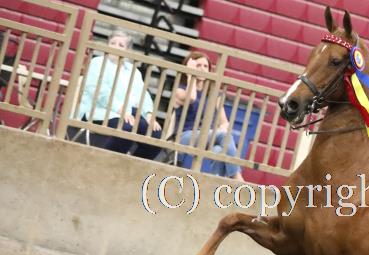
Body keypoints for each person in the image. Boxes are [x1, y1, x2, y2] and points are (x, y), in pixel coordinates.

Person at [73, 29, 162, 158]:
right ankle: (107, 161)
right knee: (127, 128)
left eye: (121, 45)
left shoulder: (133, 70)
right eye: (113, 43)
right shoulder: (97, 62)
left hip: (128, 113)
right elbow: (99, 92)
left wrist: (149, 114)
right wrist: (121, 110)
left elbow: (143, 94)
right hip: (99, 111)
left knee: (155, 134)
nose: (115, 47)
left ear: (127, 51)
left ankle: (131, 165)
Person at [171, 51, 244, 182]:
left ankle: (215, 183)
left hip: (208, 137)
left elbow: (224, 123)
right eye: (198, 65)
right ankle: (237, 178)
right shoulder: (180, 90)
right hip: (185, 136)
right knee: (224, 137)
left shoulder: (213, 94)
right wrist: (191, 75)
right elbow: (191, 98)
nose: (202, 69)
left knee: (219, 150)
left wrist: (221, 129)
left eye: (205, 66)